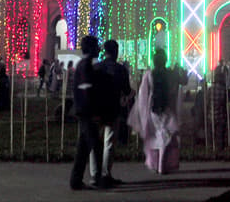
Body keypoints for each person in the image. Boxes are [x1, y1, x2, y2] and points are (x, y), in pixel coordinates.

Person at [129, 48, 181, 175]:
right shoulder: (170, 74)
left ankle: (158, 163)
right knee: (165, 135)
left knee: (158, 135)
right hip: (167, 107)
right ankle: (162, 164)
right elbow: (176, 89)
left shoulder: (149, 74)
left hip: (154, 108)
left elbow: (143, 94)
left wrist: (143, 112)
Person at [69, 36, 108, 190]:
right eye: (97, 46)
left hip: (83, 112)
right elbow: (87, 91)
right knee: (96, 147)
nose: (99, 49)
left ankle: (76, 180)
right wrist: (94, 113)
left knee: (83, 148)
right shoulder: (86, 66)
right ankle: (98, 178)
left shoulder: (82, 65)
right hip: (87, 113)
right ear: (91, 48)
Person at [91, 40, 131, 186]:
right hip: (112, 109)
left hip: (96, 109)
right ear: (116, 52)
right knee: (109, 142)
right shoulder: (120, 70)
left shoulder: (96, 67)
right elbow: (126, 90)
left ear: (104, 51)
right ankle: (105, 174)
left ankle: (95, 174)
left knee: (95, 141)